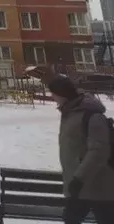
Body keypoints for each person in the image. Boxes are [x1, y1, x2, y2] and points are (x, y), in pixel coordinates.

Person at [48, 75, 114, 224]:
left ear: (62, 93)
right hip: (80, 187)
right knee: (71, 220)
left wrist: (79, 178)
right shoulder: (70, 113)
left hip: (99, 185)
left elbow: (99, 152)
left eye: (54, 93)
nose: (52, 96)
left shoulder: (92, 115)